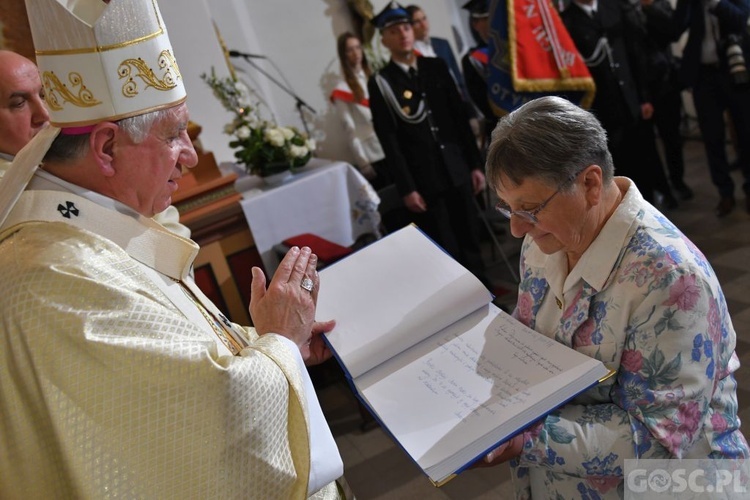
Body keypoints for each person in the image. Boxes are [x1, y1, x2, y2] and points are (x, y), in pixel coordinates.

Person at [0, 1, 344, 498]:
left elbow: (173, 366)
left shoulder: (92, 229)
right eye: (173, 133)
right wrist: (280, 344)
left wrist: (259, 341)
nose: (190, 153)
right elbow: (207, 424)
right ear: (104, 148)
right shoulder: (59, 272)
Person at [473, 95, 748, 498]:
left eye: (529, 209)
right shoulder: (544, 240)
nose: (516, 229)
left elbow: (660, 440)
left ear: (589, 183)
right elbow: (531, 334)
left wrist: (525, 439)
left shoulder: (670, 279)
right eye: (508, 208)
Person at [367, 1, 488, 284]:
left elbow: (458, 121)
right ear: (384, 39)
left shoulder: (434, 67)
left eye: (407, 28)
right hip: (425, 179)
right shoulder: (383, 82)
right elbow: (390, 139)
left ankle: (486, 295)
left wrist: (474, 164)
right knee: (446, 246)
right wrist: (407, 187)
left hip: (456, 168)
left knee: (471, 238)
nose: (403, 34)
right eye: (395, 31)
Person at [562, 0, 678, 207]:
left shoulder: (613, 7)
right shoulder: (567, 22)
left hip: (630, 102)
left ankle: (652, 203)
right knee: (618, 165)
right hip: (603, 110)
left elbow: (634, 54)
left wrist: (643, 97)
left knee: (645, 157)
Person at [673, 0, 750, 216]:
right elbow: (676, 29)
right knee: (712, 137)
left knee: (746, 133)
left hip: (736, 71)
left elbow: (740, 18)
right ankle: (725, 192)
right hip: (704, 77)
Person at [637, 0, 695, 200]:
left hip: (664, 82)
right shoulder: (620, 7)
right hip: (638, 86)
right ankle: (661, 188)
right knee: (647, 144)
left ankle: (677, 181)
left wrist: (649, 6)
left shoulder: (657, 3)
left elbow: (673, 31)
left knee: (672, 138)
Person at [331, 32, 389, 189]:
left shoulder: (376, 78)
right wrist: (363, 162)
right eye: (350, 49)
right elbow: (350, 130)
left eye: (358, 47)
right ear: (343, 55)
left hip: (391, 146)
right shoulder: (341, 90)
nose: (356, 53)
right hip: (374, 155)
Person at [406, 4, 469, 102]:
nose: (424, 24)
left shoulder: (442, 44)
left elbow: (456, 73)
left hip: (459, 99)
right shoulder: (410, 54)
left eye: (424, 18)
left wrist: (465, 96)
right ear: (410, 26)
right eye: (417, 22)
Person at [460, 0, 497, 150]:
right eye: (487, 18)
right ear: (475, 24)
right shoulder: (473, 59)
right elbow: (482, 102)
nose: (493, 21)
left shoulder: (518, 47)